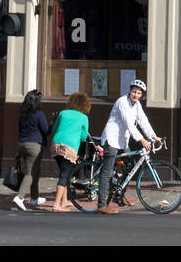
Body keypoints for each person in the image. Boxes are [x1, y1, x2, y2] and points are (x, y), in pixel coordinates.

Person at [97, 79, 161, 215]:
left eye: (139, 93)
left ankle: (119, 196)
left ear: (142, 95)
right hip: (112, 139)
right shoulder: (122, 102)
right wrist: (142, 140)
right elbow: (129, 124)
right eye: (134, 92)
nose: (136, 95)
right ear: (129, 91)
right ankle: (102, 205)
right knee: (107, 171)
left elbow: (143, 121)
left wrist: (154, 136)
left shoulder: (137, 105)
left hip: (122, 141)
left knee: (131, 165)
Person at [46, 92, 91, 212]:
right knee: (64, 175)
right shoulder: (83, 118)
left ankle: (64, 201)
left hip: (56, 145)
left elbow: (54, 129)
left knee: (64, 173)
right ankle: (56, 204)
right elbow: (83, 137)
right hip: (69, 147)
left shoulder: (63, 113)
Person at [11, 89, 50, 211]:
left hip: (22, 144)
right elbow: (46, 131)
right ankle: (19, 197)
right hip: (34, 146)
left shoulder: (22, 114)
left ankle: (34, 198)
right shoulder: (39, 114)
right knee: (30, 174)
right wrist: (54, 125)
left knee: (35, 172)